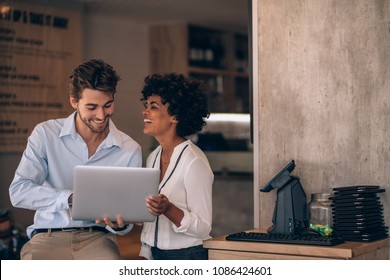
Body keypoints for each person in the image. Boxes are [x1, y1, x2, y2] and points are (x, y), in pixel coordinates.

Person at [8, 59, 142, 260]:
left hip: (98, 238)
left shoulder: (130, 149)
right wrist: (70, 199)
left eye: (108, 105)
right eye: (91, 107)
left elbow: (126, 220)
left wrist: (122, 225)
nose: (101, 115)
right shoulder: (45, 134)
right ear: (74, 102)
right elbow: (19, 191)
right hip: (48, 235)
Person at [139, 73, 214, 260]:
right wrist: (145, 253)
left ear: (175, 116)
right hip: (154, 255)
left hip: (188, 256)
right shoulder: (154, 156)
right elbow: (152, 220)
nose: (145, 111)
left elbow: (204, 227)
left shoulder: (194, 162)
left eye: (153, 107)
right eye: (146, 106)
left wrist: (168, 209)